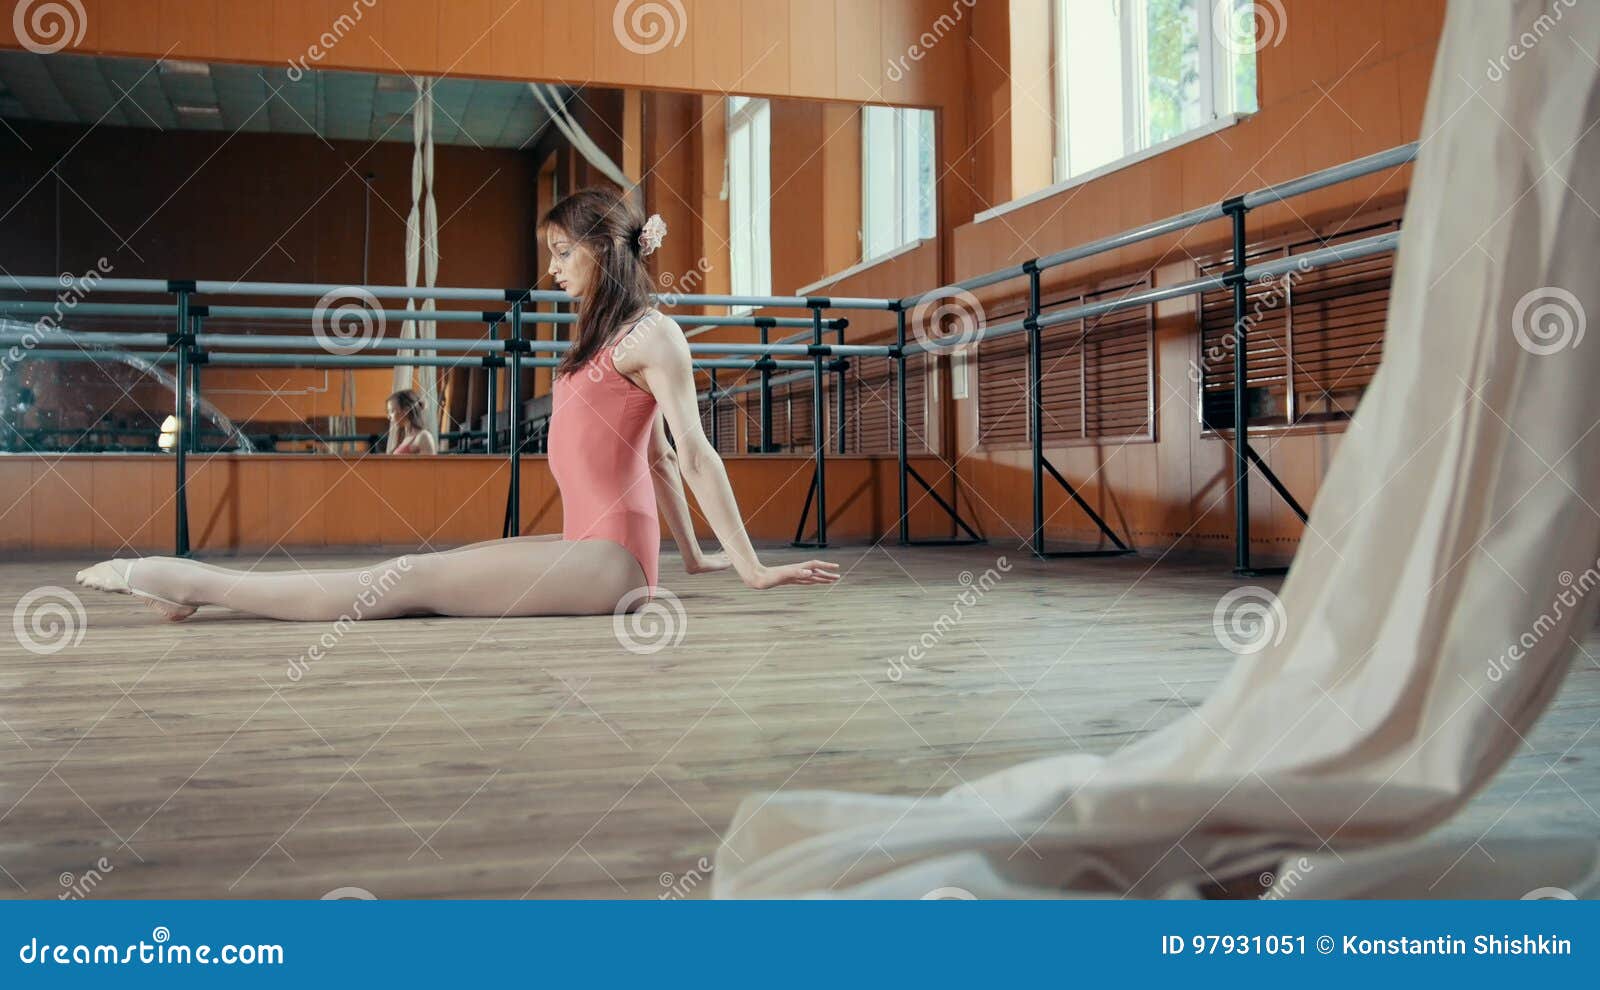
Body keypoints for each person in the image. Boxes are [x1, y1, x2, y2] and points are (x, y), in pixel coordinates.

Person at [74, 189, 839, 622]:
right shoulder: (603, 337)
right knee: (411, 572)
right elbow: (658, 460)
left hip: (609, 565)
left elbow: (695, 453)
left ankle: (195, 583)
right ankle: (201, 587)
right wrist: (693, 557)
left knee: (406, 583)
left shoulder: (655, 334)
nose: (552, 270)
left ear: (604, 251)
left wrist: (749, 570)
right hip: (600, 555)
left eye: (562, 253)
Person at [386, 388, 437, 454]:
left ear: (406, 410)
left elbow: (430, 464)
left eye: (392, 411)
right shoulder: (403, 437)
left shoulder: (423, 437)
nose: (389, 416)